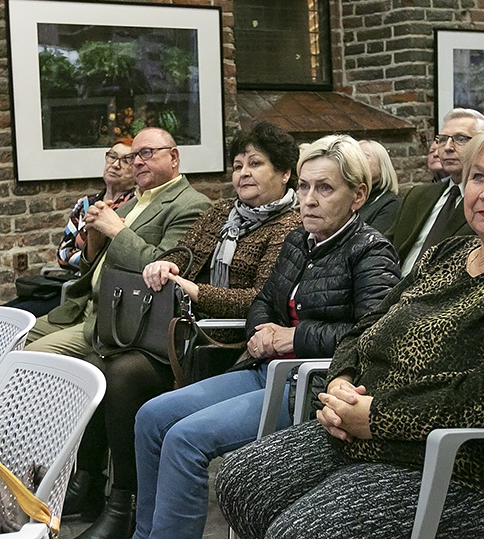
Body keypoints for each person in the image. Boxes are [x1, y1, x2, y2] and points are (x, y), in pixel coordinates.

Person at [216, 116, 484, 539]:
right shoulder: (447, 254)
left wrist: (379, 417)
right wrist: (342, 382)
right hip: (366, 436)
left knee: (302, 530)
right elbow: (366, 325)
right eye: (478, 176)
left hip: (476, 471)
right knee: (240, 478)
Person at [131, 135, 401, 539]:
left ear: (358, 195)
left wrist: (292, 338)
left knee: (185, 440)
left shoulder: (370, 251)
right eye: (305, 186)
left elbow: (372, 335)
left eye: (325, 188)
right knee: (152, 417)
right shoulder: (299, 241)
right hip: (266, 369)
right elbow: (263, 299)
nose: (308, 199)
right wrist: (261, 331)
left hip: (313, 384)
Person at [70, 123, 308, 539]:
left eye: (256, 164)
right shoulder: (222, 212)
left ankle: (122, 503)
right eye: (237, 165)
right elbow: (185, 251)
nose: (243, 174)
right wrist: (169, 264)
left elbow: (258, 299)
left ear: (285, 173)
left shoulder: (289, 226)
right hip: (181, 332)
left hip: (225, 344)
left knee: (124, 375)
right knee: (96, 364)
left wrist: (198, 291)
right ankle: (96, 488)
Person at [24, 126, 210, 356]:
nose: (137, 162)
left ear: (173, 157)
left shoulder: (191, 205)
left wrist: (115, 229)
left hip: (118, 322)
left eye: (147, 152)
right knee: (0, 337)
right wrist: (95, 237)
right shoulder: (132, 202)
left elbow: (162, 268)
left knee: (27, 357)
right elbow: (88, 268)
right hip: (83, 307)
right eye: (134, 157)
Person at [7, 137, 136, 317]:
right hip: (68, 284)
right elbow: (62, 254)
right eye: (112, 156)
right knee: (1, 312)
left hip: (93, 293)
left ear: (137, 167)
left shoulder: (135, 206)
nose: (115, 165)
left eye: (126, 160)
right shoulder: (85, 204)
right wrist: (88, 254)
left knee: (14, 318)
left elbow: (108, 258)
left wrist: (82, 255)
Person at [386, 108, 484, 275]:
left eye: (461, 139)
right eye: (442, 140)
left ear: (483, 146)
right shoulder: (418, 195)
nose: (447, 147)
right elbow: (386, 247)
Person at [356, 139, 400, 233]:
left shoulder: (390, 204)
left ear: (382, 165)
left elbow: (373, 243)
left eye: (364, 156)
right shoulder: (349, 199)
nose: (357, 161)